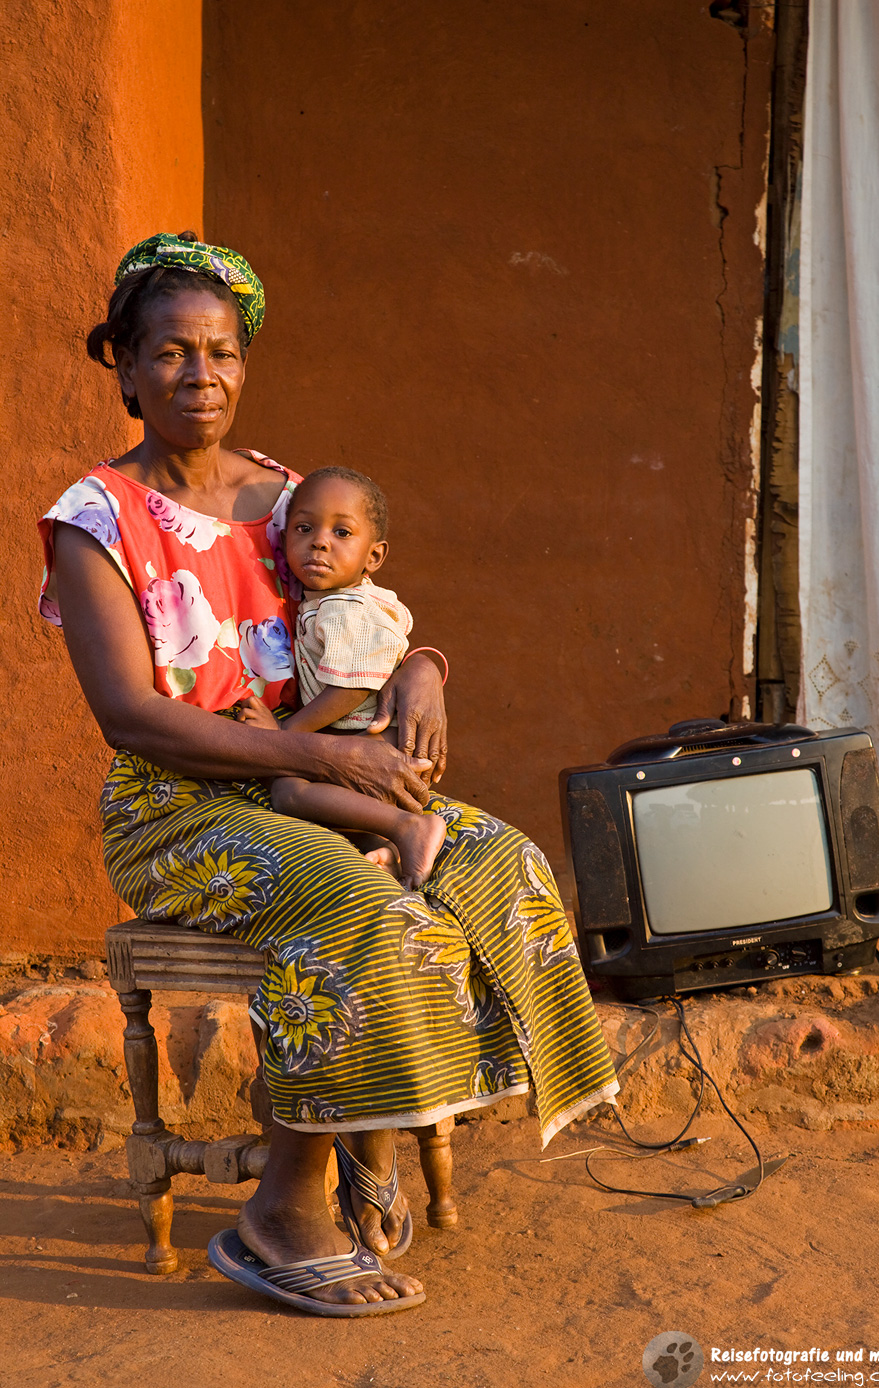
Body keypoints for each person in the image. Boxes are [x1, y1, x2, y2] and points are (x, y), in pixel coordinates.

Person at [38, 230, 620, 1318]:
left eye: (220, 351)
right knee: (360, 901)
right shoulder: (94, 522)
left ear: (245, 362)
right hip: (180, 807)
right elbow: (132, 716)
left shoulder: (289, 491)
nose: (199, 376)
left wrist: (431, 670)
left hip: (317, 771)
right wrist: (322, 751)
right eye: (169, 353)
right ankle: (283, 1208)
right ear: (122, 363)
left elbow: (365, 623)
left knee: (499, 858)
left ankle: (372, 1122)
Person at [234, 464, 449, 890]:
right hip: (358, 737)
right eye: (304, 528)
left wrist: (283, 737)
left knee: (288, 792)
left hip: (372, 741)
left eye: (342, 533)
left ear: (374, 556)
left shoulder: (344, 609)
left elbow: (353, 687)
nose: (319, 541)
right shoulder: (329, 601)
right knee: (331, 811)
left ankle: (410, 829)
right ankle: (385, 847)